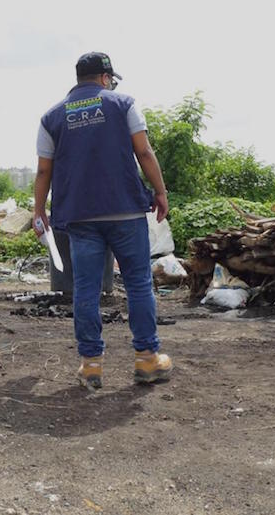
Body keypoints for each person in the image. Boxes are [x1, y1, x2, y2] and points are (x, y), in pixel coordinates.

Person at [33, 52, 173, 391]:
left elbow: (43, 170)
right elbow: (144, 152)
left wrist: (40, 210)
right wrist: (160, 191)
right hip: (124, 210)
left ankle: (91, 365)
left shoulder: (51, 117)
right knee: (138, 283)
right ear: (104, 77)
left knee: (86, 288)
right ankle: (146, 358)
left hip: (80, 216)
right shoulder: (124, 104)